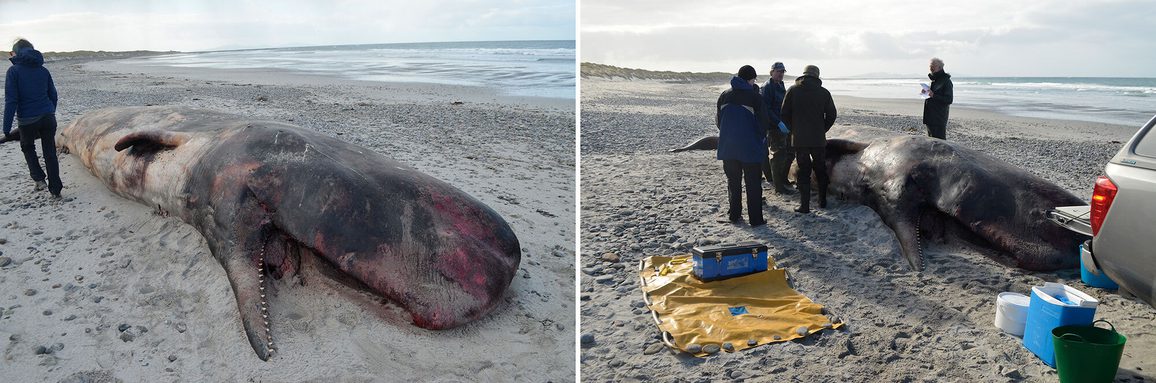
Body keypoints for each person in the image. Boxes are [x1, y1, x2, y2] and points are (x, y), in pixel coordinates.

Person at [4, 38, 60, 198]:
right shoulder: (43, 70)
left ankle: (39, 180)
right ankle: (56, 190)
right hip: (48, 117)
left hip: (28, 120)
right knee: (50, 153)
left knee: (27, 147)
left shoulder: (13, 72)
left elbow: (11, 101)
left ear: (16, 52)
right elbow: (53, 95)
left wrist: (6, 128)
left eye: (11, 52)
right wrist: (50, 112)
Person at [716, 65, 770, 226]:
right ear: (750, 79)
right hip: (750, 148)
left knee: (733, 182)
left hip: (728, 147)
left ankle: (734, 215)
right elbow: (763, 124)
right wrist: (760, 138)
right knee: (753, 183)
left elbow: (719, 121)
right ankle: (755, 219)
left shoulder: (724, 95)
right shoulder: (755, 97)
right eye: (754, 78)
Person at [780, 65, 836, 214]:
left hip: (800, 140)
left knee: (803, 171)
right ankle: (822, 201)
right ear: (817, 76)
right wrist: (823, 129)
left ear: (803, 75)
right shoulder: (824, 93)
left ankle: (804, 206)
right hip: (818, 139)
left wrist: (793, 130)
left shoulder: (793, 90)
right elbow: (832, 115)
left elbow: (784, 113)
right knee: (820, 169)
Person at [760, 62, 794, 195]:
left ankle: (783, 178)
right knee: (778, 155)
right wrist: (778, 122)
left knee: (790, 152)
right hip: (774, 126)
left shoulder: (780, 85)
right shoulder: (767, 87)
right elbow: (766, 109)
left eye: (782, 72)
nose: (780, 74)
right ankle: (778, 185)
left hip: (784, 124)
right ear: (772, 72)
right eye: (778, 71)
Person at [923, 57, 953, 140]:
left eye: (933, 66)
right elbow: (931, 95)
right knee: (931, 141)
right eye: (930, 66)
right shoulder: (934, 80)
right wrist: (925, 92)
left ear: (940, 67)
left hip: (939, 118)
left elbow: (949, 99)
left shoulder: (946, 81)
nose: (931, 68)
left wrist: (933, 95)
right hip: (929, 117)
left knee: (940, 143)